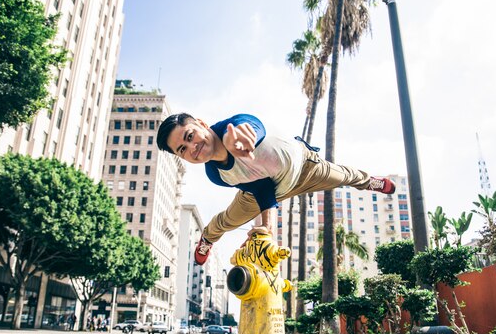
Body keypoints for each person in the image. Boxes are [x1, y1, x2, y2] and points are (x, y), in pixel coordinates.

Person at [156, 113, 396, 265]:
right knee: (228, 220)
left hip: (304, 169)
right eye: (182, 149)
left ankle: (369, 181)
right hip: (263, 190)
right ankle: (207, 238)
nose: (192, 147)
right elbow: (262, 186)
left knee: (344, 175)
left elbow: (253, 126)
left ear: (201, 124)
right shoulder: (215, 175)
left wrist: (238, 140)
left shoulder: (236, 126)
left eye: (190, 136)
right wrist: (266, 228)